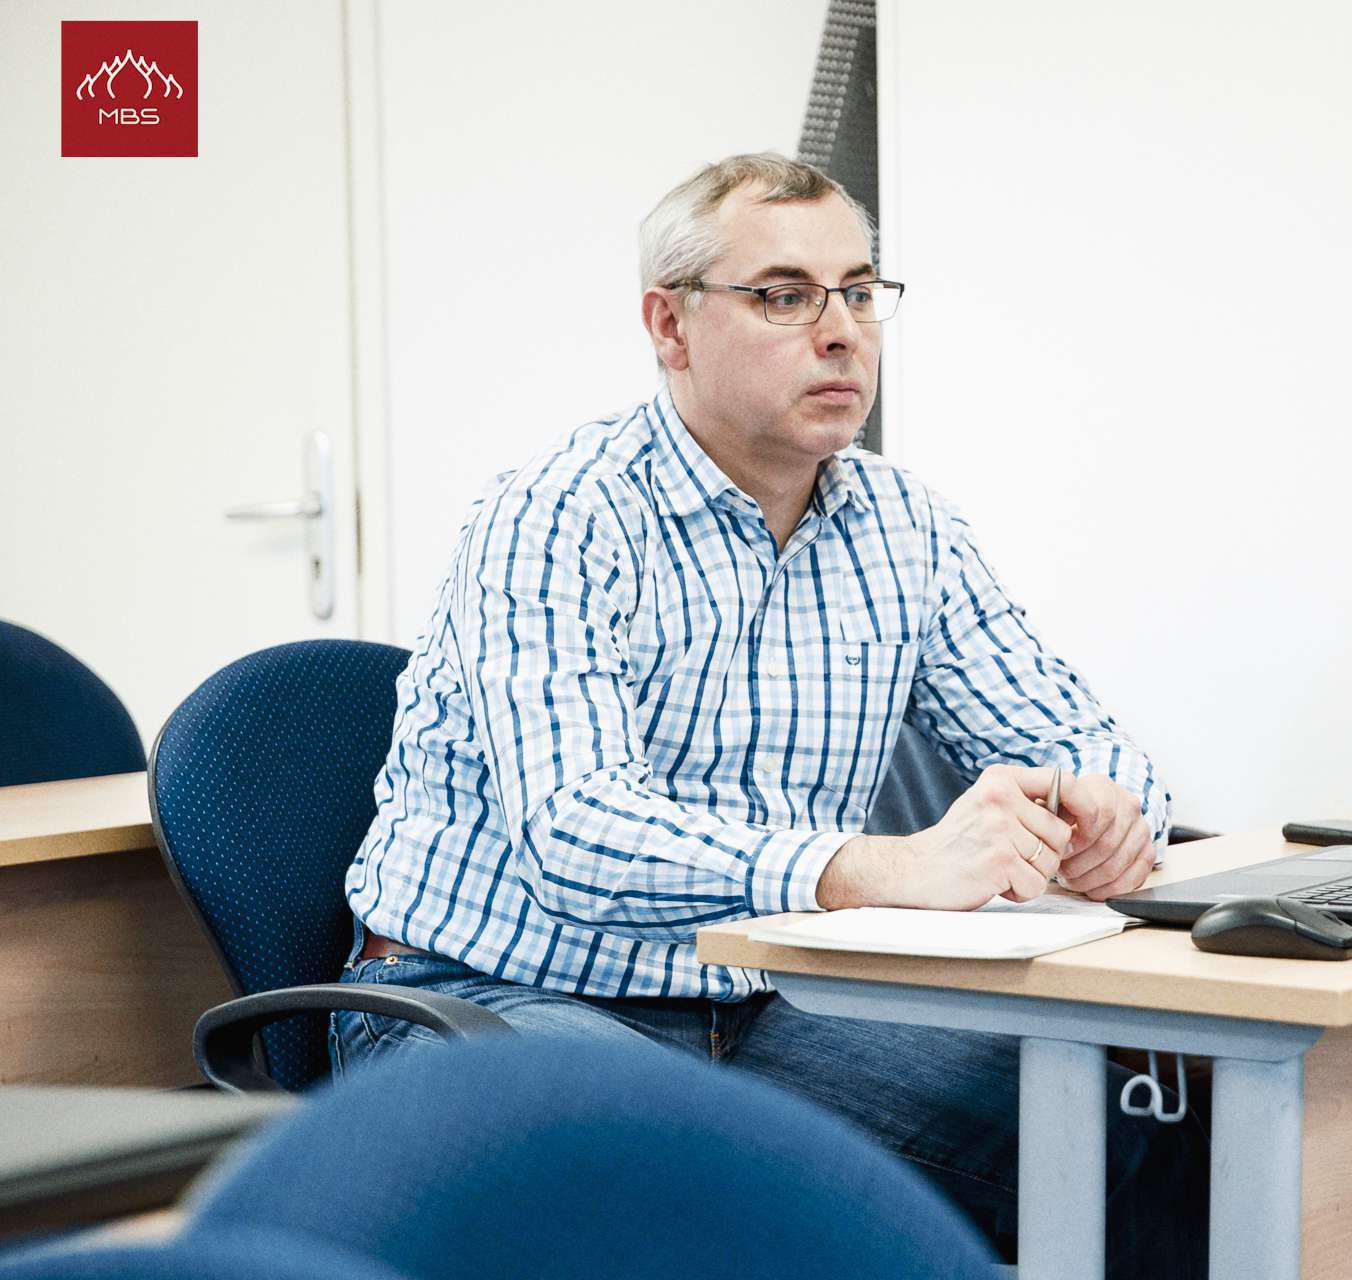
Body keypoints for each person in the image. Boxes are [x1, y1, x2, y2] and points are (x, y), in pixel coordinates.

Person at [333, 152, 1205, 1275]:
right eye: (786, 296)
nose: (842, 333)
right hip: (491, 996)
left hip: (763, 1004)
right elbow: (576, 836)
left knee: (1137, 1124)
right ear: (671, 326)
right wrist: (878, 867)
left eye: (860, 292)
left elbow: (1076, 734)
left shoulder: (903, 524)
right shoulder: (554, 516)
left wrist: (1107, 806)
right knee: (691, 1198)